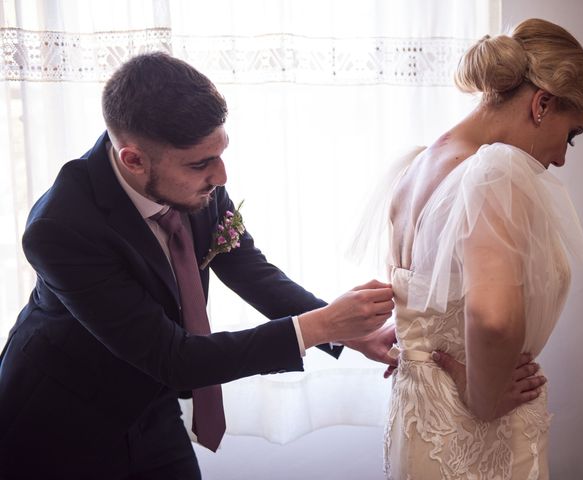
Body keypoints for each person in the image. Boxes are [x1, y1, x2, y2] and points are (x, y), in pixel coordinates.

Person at [0, 52, 398, 480]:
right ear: (133, 159)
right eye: (202, 163)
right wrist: (319, 326)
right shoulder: (60, 228)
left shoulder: (191, 184)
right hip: (60, 423)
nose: (222, 176)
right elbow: (175, 357)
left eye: (220, 154)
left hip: (151, 405)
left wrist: (350, 332)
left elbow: (248, 268)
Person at [383, 18, 583, 479]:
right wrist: (485, 398)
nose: (561, 156)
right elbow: (492, 316)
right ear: (542, 104)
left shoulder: (417, 166)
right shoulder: (493, 174)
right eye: (571, 133)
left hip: (417, 423)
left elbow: (421, 305)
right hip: (475, 435)